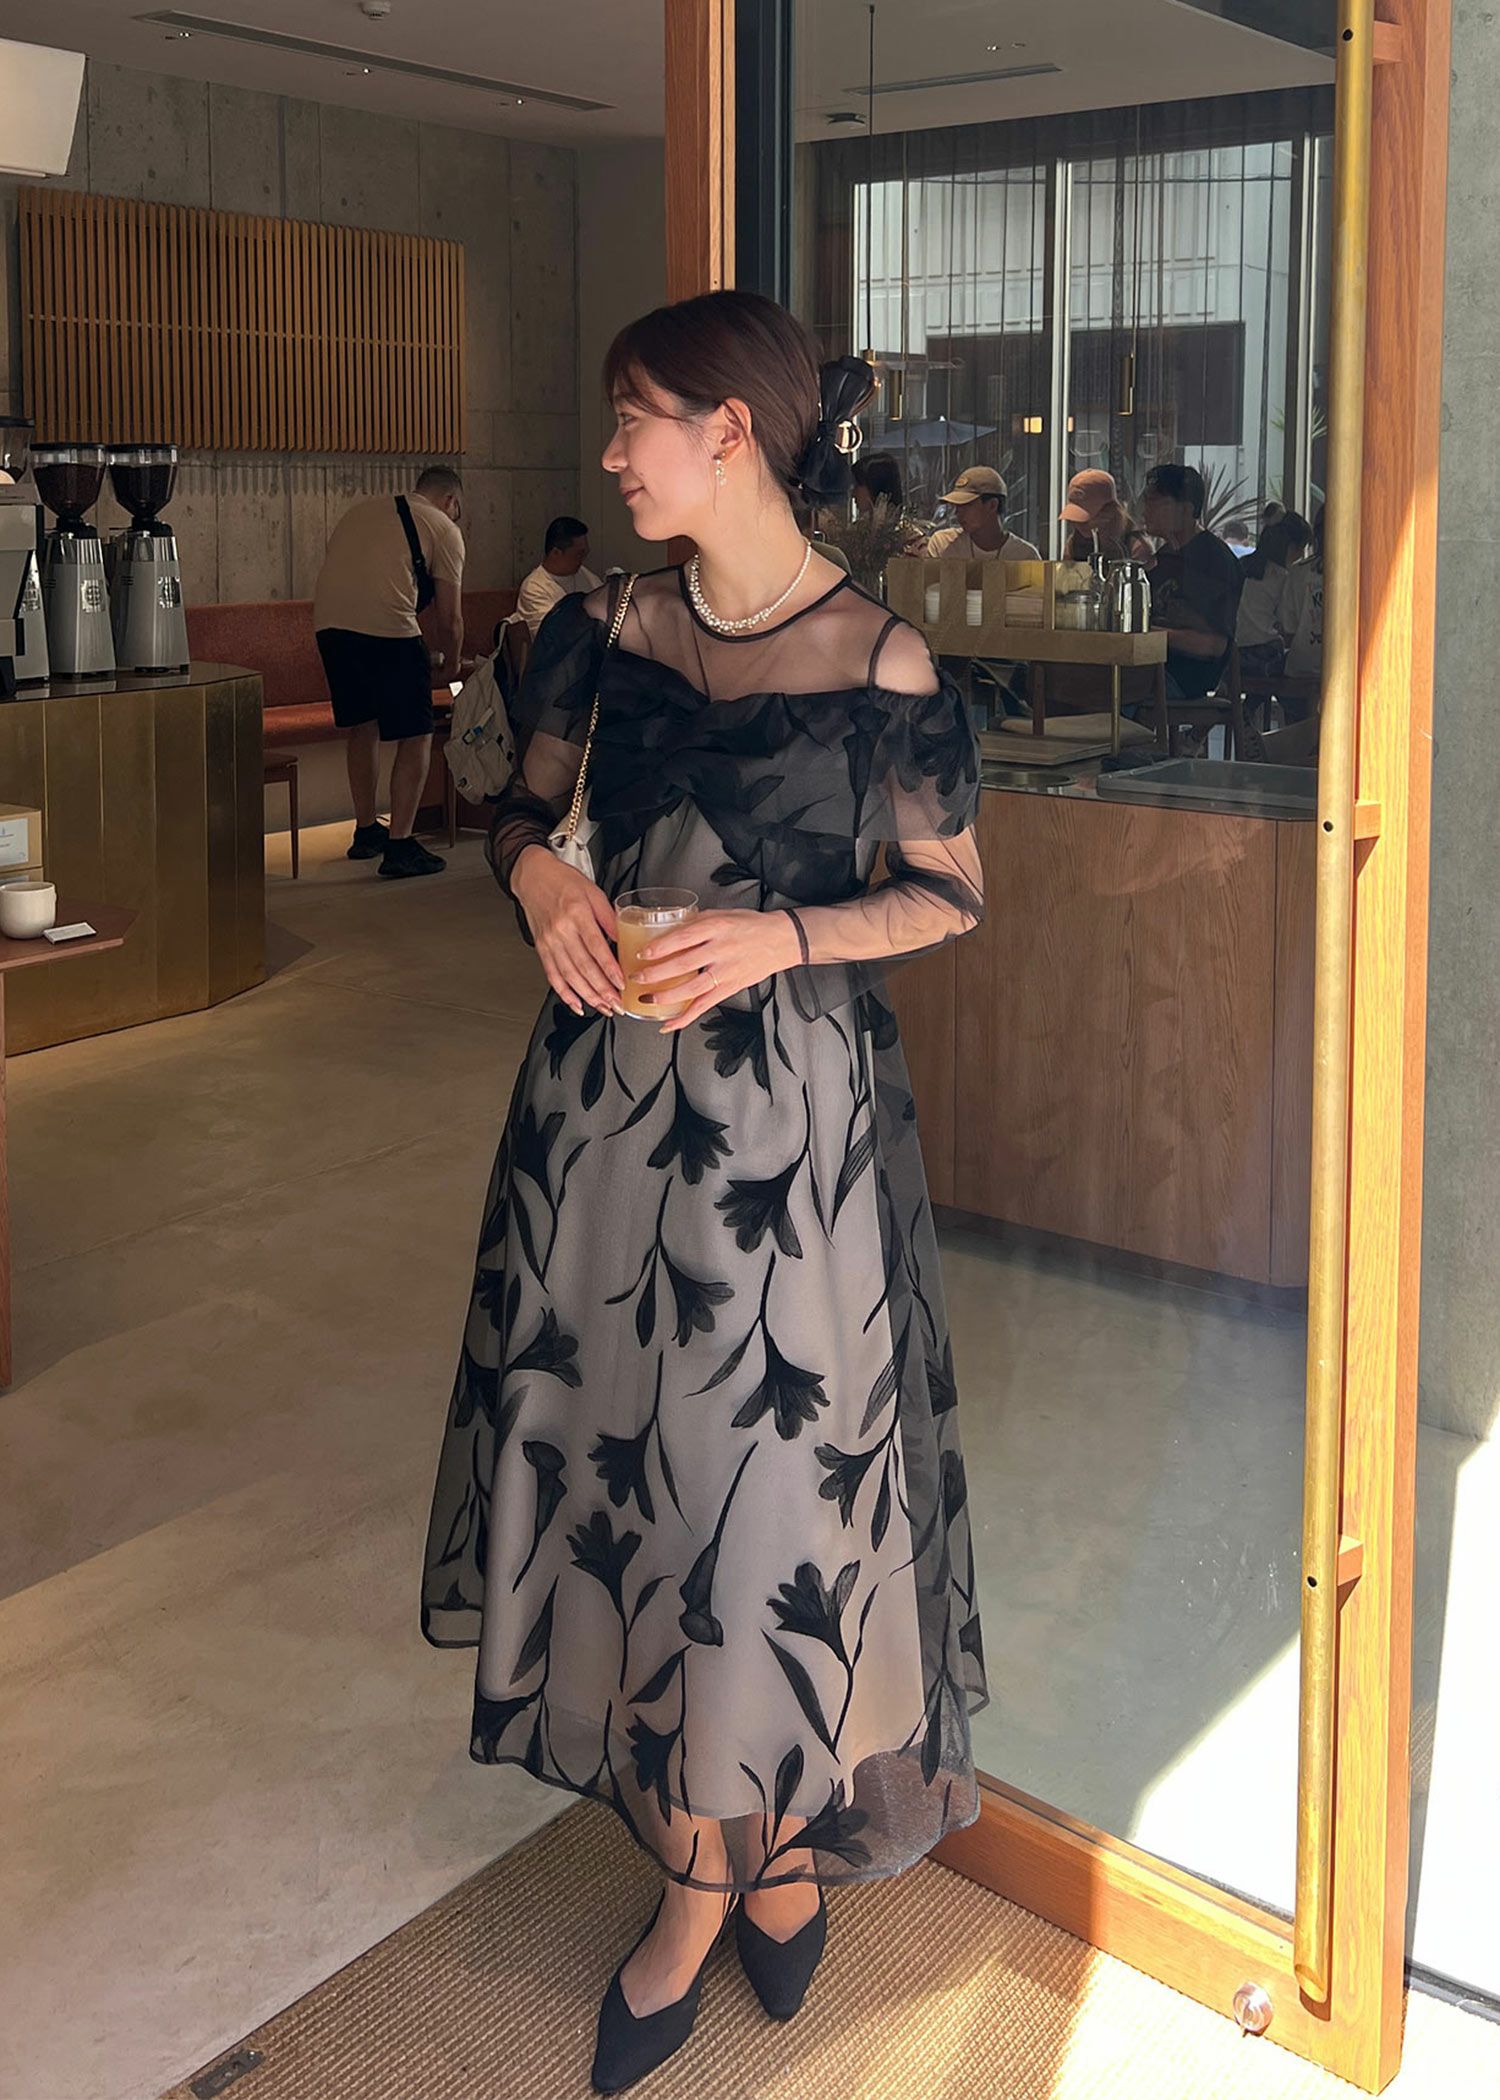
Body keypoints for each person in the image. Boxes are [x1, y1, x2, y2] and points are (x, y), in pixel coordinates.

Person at [421, 291, 989, 2096]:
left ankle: (767, 1852)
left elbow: (953, 893)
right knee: (631, 1477)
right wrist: (543, 890)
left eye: (634, 420)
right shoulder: (602, 629)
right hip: (604, 1118)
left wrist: (782, 938)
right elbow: (517, 813)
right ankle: (705, 1872)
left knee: (773, 1501)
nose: (611, 455)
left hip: (791, 1141)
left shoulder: (885, 660)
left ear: (728, 432)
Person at [313, 465, 465, 879]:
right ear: (451, 501)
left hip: (330, 629)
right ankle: (400, 845)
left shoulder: (363, 511)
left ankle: (366, 831)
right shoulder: (444, 528)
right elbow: (450, 620)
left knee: (363, 726)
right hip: (389, 631)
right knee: (417, 733)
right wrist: (452, 665)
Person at [1139, 462, 1245, 701]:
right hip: (1153, 668)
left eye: (1155, 502)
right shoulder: (1164, 556)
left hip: (1184, 677)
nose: (1146, 511)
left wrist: (1149, 635)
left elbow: (1213, 645)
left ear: (1186, 509)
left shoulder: (1213, 560)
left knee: (1107, 691)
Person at [1235, 509, 1313, 678]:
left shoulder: (1243, 566)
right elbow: (1286, 623)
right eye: (1302, 548)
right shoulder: (1282, 577)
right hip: (1265, 653)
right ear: (1291, 547)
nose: (1302, 555)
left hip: (1235, 654)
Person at [925, 465, 1041, 562]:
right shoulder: (943, 544)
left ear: (992, 505)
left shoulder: (1025, 556)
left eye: (966, 505)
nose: (958, 513)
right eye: (957, 506)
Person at [517, 515, 603, 636]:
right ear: (556, 553)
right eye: (579, 554)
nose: (583, 559)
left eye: (585, 553)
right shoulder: (534, 588)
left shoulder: (584, 575)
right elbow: (551, 635)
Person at [1060, 468, 1150, 565]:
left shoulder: (1136, 547)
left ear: (1109, 512)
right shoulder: (1074, 545)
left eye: (1085, 518)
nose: (1078, 524)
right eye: (1074, 517)